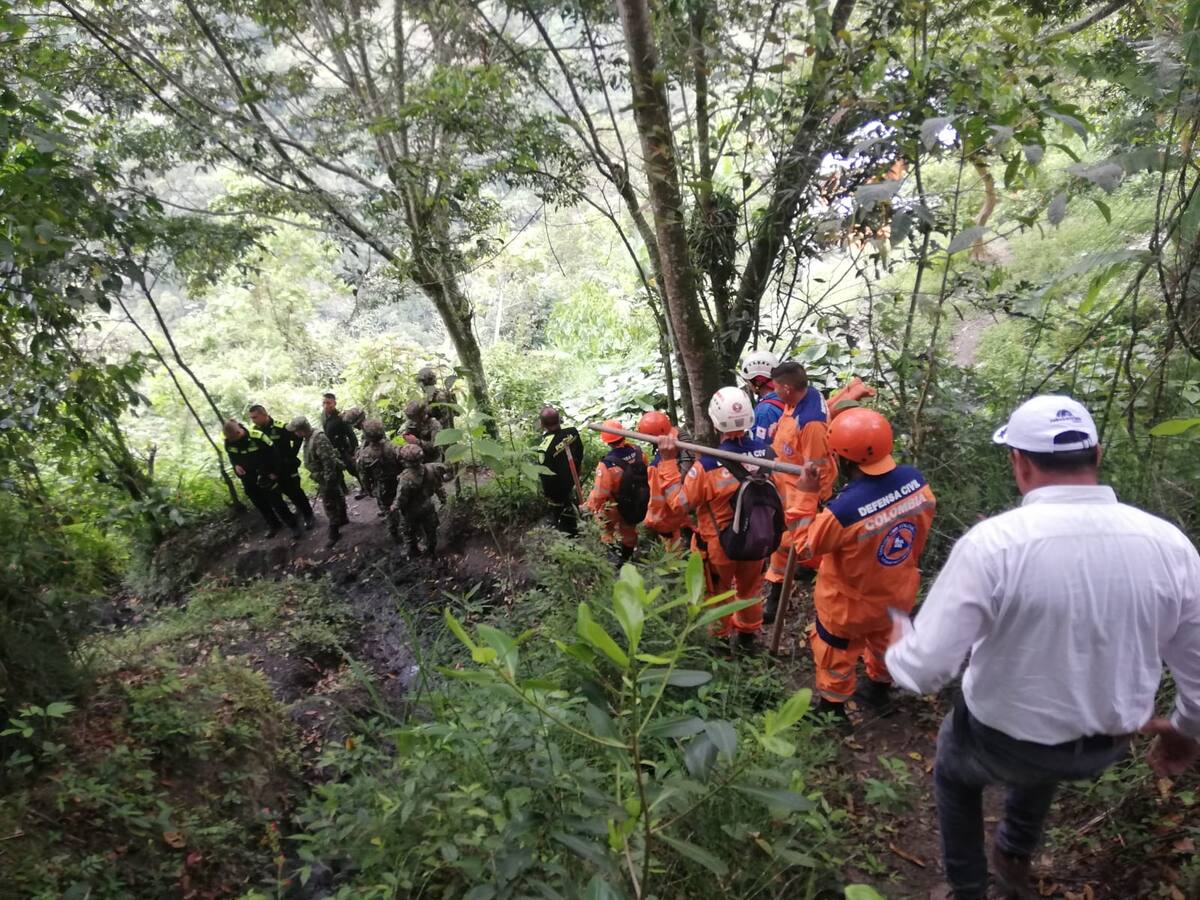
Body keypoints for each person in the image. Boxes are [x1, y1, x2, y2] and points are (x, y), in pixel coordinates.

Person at [883, 395, 1200, 900]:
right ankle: (1013, 854)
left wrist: (901, 643)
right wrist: (1184, 731)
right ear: (1096, 455)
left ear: (1019, 462)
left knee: (954, 772)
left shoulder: (994, 545)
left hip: (1000, 741)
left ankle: (968, 889)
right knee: (1044, 742)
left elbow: (924, 674)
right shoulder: (1171, 546)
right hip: (1104, 748)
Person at [791, 407, 936, 720]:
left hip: (849, 605)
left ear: (844, 458)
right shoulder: (916, 482)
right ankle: (878, 690)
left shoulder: (844, 511)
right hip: (897, 591)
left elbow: (804, 547)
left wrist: (805, 495)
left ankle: (832, 711)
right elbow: (919, 534)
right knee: (886, 641)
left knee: (835, 652)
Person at [657, 387, 776, 651]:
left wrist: (667, 463)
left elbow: (679, 504)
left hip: (719, 546)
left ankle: (719, 644)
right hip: (756, 539)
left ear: (714, 420)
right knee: (750, 591)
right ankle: (748, 640)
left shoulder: (708, 467)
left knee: (717, 595)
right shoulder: (769, 456)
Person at [763, 363, 875, 624]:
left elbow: (815, 468)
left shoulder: (811, 422)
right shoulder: (805, 397)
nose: (773, 390)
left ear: (788, 388)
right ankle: (786, 582)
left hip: (799, 491)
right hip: (785, 485)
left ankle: (781, 593)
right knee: (784, 541)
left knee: (788, 543)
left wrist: (812, 499)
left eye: (776, 387)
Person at [222, 418, 303, 539]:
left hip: (265, 473)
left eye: (233, 439)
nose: (231, 442)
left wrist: (274, 472)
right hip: (248, 477)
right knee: (260, 503)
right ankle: (274, 524)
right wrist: (236, 466)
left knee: (276, 501)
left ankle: (293, 525)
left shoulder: (257, 437)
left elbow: (274, 454)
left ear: (238, 432)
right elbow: (232, 456)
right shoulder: (229, 442)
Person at [586, 419, 647, 563]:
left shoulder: (607, 464)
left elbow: (600, 493)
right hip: (636, 500)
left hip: (614, 505)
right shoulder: (638, 452)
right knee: (629, 530)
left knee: (605, 527)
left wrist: (589, 506)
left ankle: (612, 558)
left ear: (606, 440)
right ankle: (628, 557)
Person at [248, 403, 314, 530]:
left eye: (255, 417)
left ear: (263, 414)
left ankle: (308, 514)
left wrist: (291, 455)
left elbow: (297, 438)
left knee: (295, 492)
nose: (253, 420)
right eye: (251, 418)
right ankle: (296, 516)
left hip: (286, 467)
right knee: (280, 494)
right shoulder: (255, 431)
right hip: (271, 470)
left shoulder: (280, 427)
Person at [287, 416, 349, 548]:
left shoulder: (318, 438)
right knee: (337, 495)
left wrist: (328, 480)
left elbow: (328, 461)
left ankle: (334, 532)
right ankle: (343, 518)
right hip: (323, 475)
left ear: (301, 430)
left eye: (295, 431)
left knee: (329, 503)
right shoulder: (308, 438)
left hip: (327, 476)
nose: (295, 434)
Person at [638, 410, 691, 546]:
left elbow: (657, 500)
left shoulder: (657, 466)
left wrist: (655, 523)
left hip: (670, 520)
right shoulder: (681, 445)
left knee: (674, 554)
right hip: (686, 514)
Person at [537, 406, 584, 536]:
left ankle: (568, 531)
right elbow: (580, 452)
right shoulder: (572, 432)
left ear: (542, 424)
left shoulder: (544, 447)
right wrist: (578, 468)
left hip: (558, 487)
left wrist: (548, 493)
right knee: (569, 502)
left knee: (561, 508)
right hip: (573, 477)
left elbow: (545, 474)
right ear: (559, 420)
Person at [356, 419, 403, 539]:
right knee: (402, 504)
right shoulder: (394, 447)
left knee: (389, 510)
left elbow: (364, 476)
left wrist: (368, 489)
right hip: (398, 482)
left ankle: (395, 534)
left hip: (382, 487)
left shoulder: (364, 455)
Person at [393, 443, 443, 558]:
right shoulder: (431, 468)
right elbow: (438, 486)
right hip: (428, 505)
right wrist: (442, 498)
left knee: (409, 532)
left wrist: (395, 506)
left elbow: (401, 498)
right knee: (431, 530)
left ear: (404, 461)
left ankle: (413, 552)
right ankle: (431, 551)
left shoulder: (405, 478)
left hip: (411, 511)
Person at [321, 392, 363, 498]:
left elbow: (351, 435)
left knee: (352, 469)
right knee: (337, 471)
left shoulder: (340, 418)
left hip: (343, 448)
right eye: (324, 403)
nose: (326, 405)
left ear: (334, 403)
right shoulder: (324, 416)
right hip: (332, 450)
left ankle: (364, 487)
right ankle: (344, 490)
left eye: (328, 403)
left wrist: (354, 451)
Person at [740, 350, 785, 443]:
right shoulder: (784, 397)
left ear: (758, 381)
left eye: (748, 381)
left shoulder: (765, 411)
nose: (748, 385)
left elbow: (762, 449)